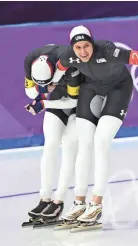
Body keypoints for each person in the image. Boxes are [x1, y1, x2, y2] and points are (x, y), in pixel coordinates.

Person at [51, 25, 138, 228]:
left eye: (86, 45)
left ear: (92, 43)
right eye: (78, 47)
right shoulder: (68, 57)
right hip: (91, 88)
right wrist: (44, 89)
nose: (83, 51)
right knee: (84, 142)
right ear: (72, 48)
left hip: (118, 89)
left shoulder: (109, 51)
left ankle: (96, 203)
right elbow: (57, 75)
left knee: (101, 141)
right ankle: (79, 202)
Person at [23, 44, 84, 224]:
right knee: (50, 145)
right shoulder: (30, 58)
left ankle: (59, 200)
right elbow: (29, 92)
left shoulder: (69, 65)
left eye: (48, 82)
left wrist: (44, 104)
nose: (46, 86)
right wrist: (43, 91)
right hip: (58, 98)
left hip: (79, 104)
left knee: (68, 148)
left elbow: (72, 102)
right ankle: (44, 198)